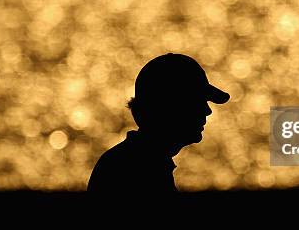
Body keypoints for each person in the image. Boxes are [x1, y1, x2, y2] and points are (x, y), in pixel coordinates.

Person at [87, 53, 229, 197]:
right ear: (167, 108)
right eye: (196, 102)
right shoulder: (140, 170)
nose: (207, 110)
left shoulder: (134, 162)